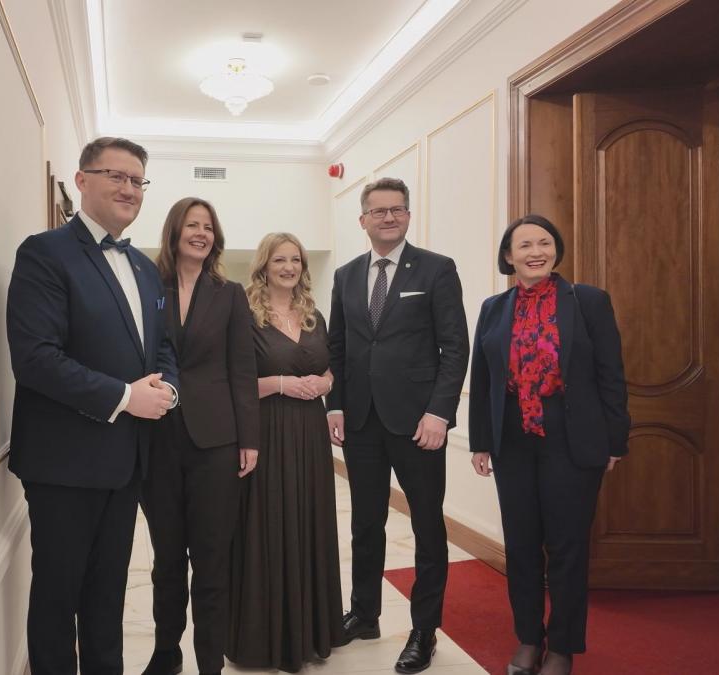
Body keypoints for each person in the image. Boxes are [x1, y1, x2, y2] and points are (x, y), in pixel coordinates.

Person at [6, 137, 180, 674]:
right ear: (82, 181)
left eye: (137, 180)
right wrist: (127, 397)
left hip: (125, 463)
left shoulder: (146, 269)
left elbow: (163, 349)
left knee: (108, 599)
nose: (129, 189)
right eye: (116, 176)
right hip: (63, 464)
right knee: (58, 601)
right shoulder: (44, 253)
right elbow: (35, 358)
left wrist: (168, 390)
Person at [467, 214, 630, 675]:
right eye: (525, 245)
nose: (535, 252)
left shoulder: (588, 301)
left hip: (572, 437)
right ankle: (528, 638)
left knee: (567, 547)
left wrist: (615, 438)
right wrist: (481, 441)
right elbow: (484, 379)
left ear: (556, 249)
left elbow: (611, 374)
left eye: (544, 242)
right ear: (508, 255)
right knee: (520, 545)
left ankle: (562, 645)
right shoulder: (493, 308)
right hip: (512, 439)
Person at [326, 178, 470, 673]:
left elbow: (455, 347)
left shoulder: (436, 268)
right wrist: (335, 405)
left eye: (397, 210)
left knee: (427, 526)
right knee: (366, 524)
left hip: (419, 424)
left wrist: (439, 413)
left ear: (408, 216)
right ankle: (364, 614)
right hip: (362, 422)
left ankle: (424, 630)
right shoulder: (345, 275)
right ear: (362, 219)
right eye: (379, 211)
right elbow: (338, 347)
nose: (388, 217)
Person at [141, 197, 259, 675]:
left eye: (208, 227)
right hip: (158, 439)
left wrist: (249, 438)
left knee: (211, 563)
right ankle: (165, 654)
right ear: (175, 232)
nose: (201, 233)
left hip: (217, 443)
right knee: (167, 560)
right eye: (192, 225)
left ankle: (210, 662)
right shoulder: (148, 285)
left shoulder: (229, 294)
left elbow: (242, 368)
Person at [227, 232, 344, 672]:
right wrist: (280, 384)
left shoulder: (313, 314)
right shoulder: (244, 315)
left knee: (309, 520)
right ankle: (266, 639)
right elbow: (232, 379)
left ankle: (310, 632)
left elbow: (330, 368)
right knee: (268, 522)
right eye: (280, 259)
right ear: (264, 265)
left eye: (295, 260)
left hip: (310, 434)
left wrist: (325, 383)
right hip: (266, 430)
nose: (289, 267)